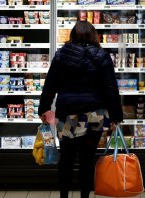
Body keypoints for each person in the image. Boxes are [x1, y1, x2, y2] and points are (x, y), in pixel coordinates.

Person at [38, 21, 123, 198]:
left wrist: (44, 108)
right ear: (94, 35)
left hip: (68, 115)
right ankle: (85, 195)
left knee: (67, 159)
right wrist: (116, 115)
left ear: (72, 35)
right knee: (87, 159)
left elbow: (50, 85)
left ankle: (63, 196)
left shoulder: (61, 55)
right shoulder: (101, 55)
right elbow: (110, 88)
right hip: (95, 115)